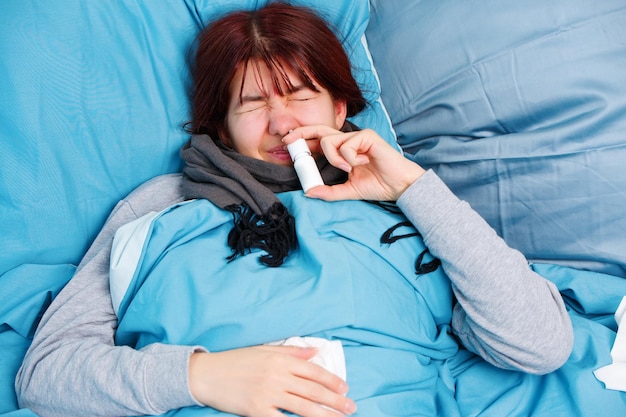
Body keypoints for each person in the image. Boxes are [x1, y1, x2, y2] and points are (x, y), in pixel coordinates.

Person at [15, 2, 573, 417]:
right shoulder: (159, 207)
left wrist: (411, 188)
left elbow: (539, 344)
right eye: (254, 103)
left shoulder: (413, 206)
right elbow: (46, 376)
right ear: (221, 126)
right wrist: (199, 375)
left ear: (339, 105)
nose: (282, 122)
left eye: (301, 95)